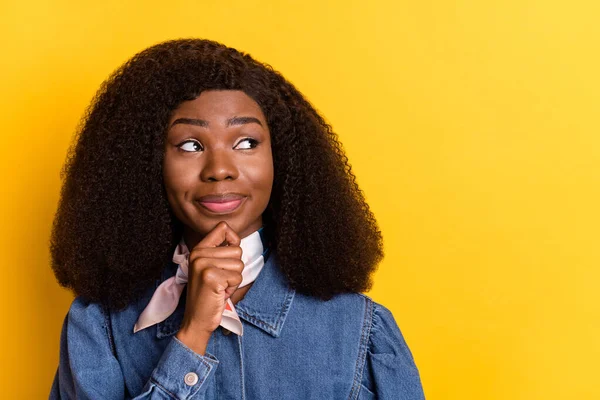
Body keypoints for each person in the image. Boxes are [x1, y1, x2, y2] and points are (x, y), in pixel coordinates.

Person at [49, 38, 425, 399]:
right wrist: (193, 333)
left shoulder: (359, 329)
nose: (220, 170)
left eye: (246, 142)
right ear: (147, 164)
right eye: (190, 145)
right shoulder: (100, 326)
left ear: (281, 158)